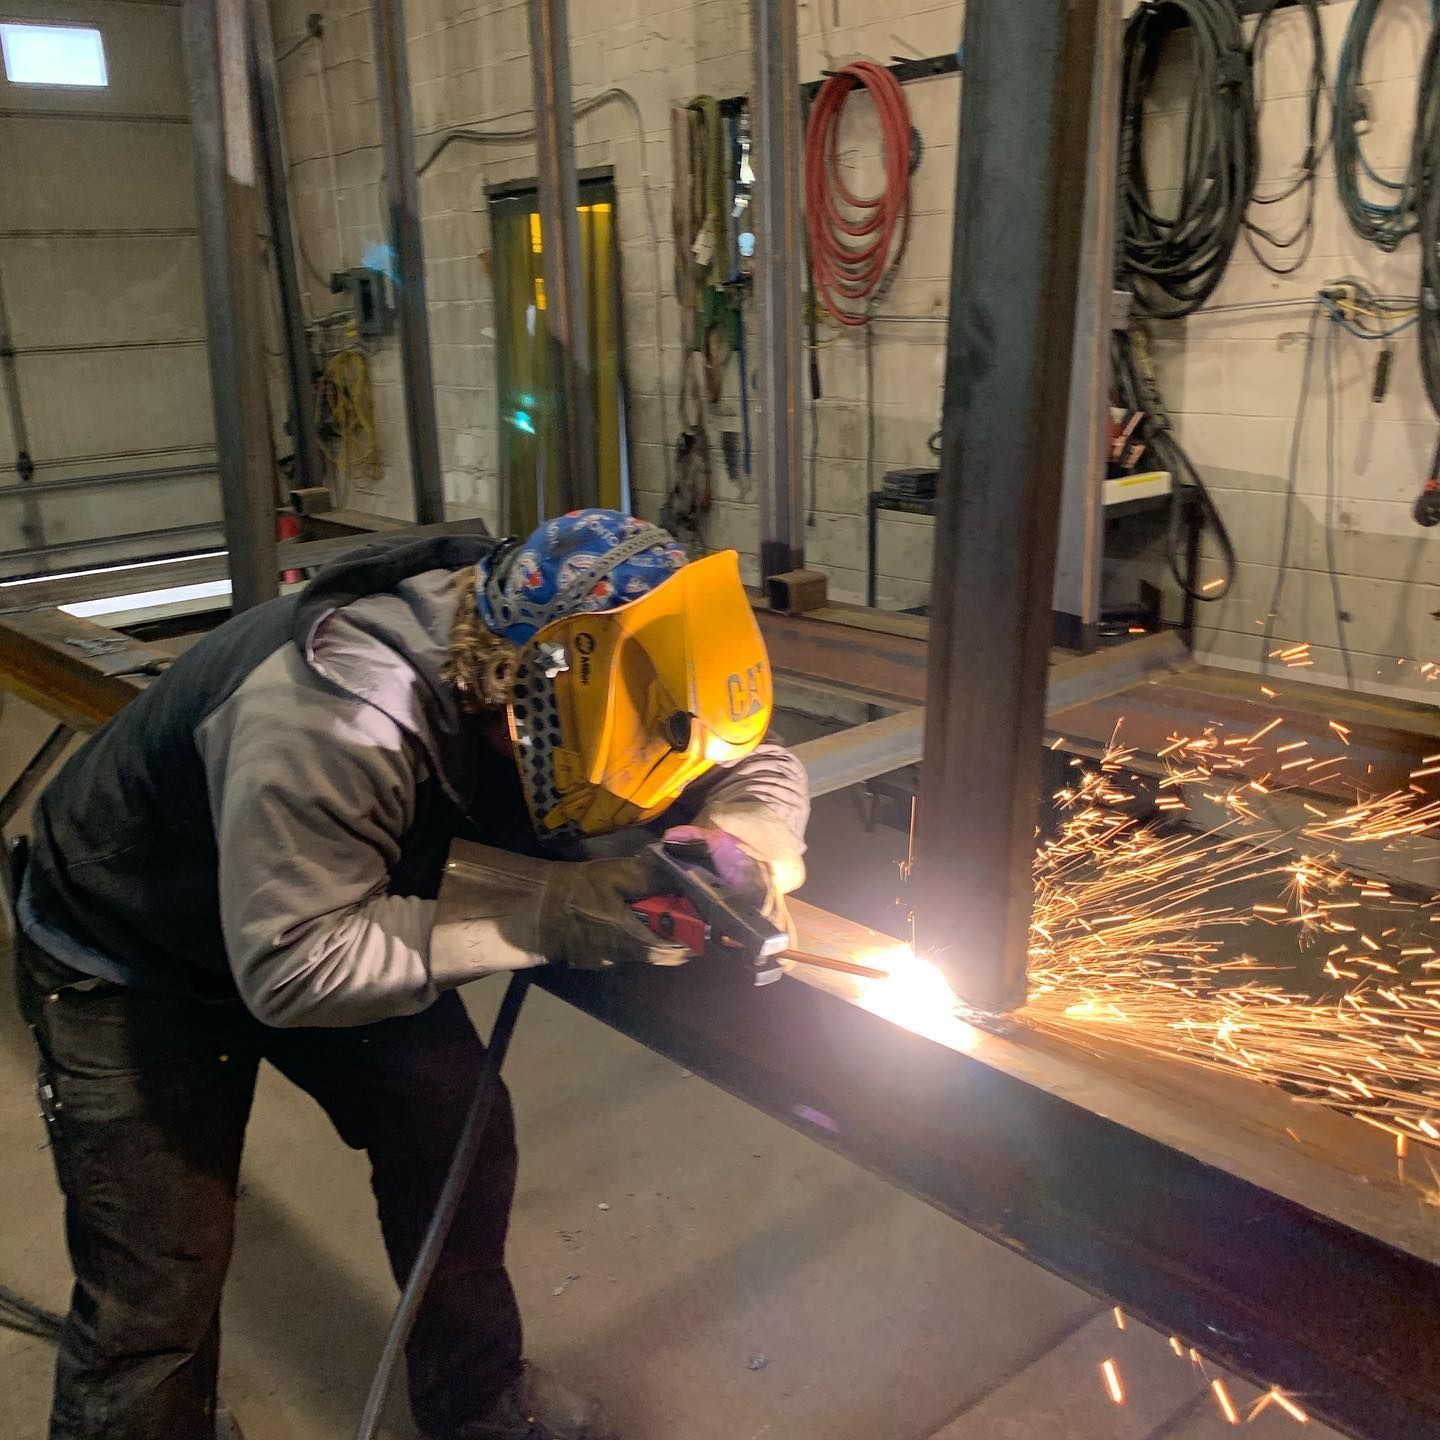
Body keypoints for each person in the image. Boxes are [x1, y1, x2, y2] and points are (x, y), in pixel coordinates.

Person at [12, 509, 809, 1440]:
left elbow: (751, 761)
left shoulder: (602, 659)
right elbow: (297, 967)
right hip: (135, 949)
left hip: (338, 893)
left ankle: (475, 1402)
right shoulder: (336, 714)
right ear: (516, 695)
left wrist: (751, 838)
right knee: (157, 1272)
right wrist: (558, 910)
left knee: (454, 1139)